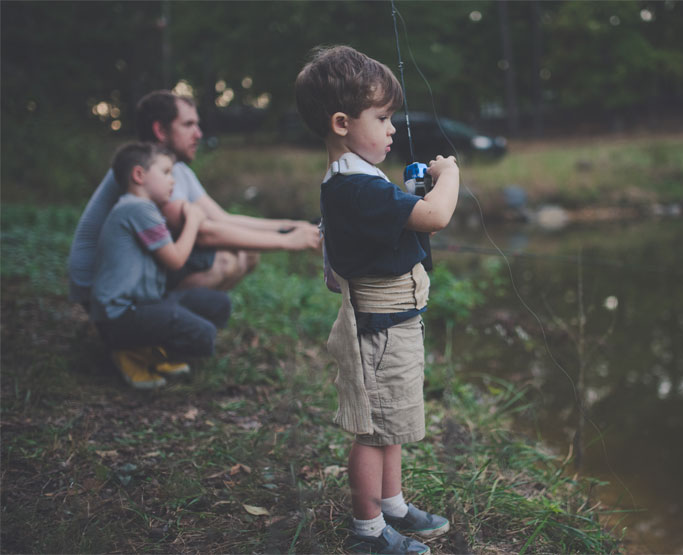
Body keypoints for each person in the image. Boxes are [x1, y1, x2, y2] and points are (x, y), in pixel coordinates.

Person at [295, 45, 460, 555]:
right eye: (383, 118)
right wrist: (448, 176)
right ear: (342, 122)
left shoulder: (360, 180)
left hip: (397, 323)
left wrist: (412, 192)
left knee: (391, 424)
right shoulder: (355, 188)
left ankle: (392, 504)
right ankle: (368, 532)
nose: (392, 128)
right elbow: (434, 217)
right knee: (372, 431)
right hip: (381, 330)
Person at [68, 89, 321, 305]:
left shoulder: (175, 169)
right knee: (225, 260)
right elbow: (205, 232)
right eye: (188, 125)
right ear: (160, 130)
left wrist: (289, 226)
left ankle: (178, 327)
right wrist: (289, 242)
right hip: (100, 288)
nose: (199, 134)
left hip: (132, 273)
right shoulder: (149, 175)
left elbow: (222, 218)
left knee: (247, 253)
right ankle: (155, 333)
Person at [91, 142, 231, 389]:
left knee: (218, 304)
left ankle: (147, 349)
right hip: (120, 316)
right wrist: (194, 220)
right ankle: (128, 352)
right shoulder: (137, 208)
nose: (173, 181)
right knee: (203, 335)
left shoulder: (141, 208)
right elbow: (176, 259)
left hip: (144, 304)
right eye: (166, 173)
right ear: (139, 175)